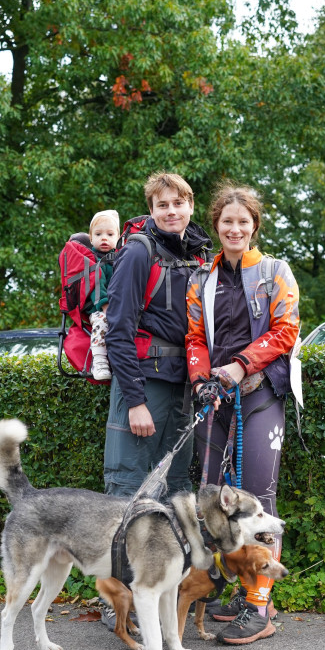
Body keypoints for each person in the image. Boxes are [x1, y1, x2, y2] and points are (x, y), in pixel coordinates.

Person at [185, 183, 300, 645]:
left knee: (259, 498)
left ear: (254, 226)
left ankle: (260, 605)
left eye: (243, 222)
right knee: (213, 500)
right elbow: (194, 337)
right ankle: (241, 587)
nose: (235, 229)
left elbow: (286, 330)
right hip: (214, 397)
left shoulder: (275, 272)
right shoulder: (201, 280)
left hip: (260, 394)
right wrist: (200, 378)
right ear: (216, 225)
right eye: (227, 222)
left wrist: (239, 365)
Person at [103, 172, 213, 497]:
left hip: (184, 388)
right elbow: (118, 331)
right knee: (127, 489)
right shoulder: (139, 253)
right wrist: (135, 402)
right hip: (143, 386)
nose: (171, 211)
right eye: (161, 205)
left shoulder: (200, 256)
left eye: (178, 203)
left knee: (178, 488)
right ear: (151, 210)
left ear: (191, 206)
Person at [87, 209, 121, 381]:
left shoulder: (121, 258)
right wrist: (106, 306)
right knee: (102, 320)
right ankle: (99, 360)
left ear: (118, 237)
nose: (104, 238)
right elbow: (96, 286)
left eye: (110, 234)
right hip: (100, 307)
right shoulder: (94, 260)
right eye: (98, 234)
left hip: (120, 306)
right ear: (91, 238)